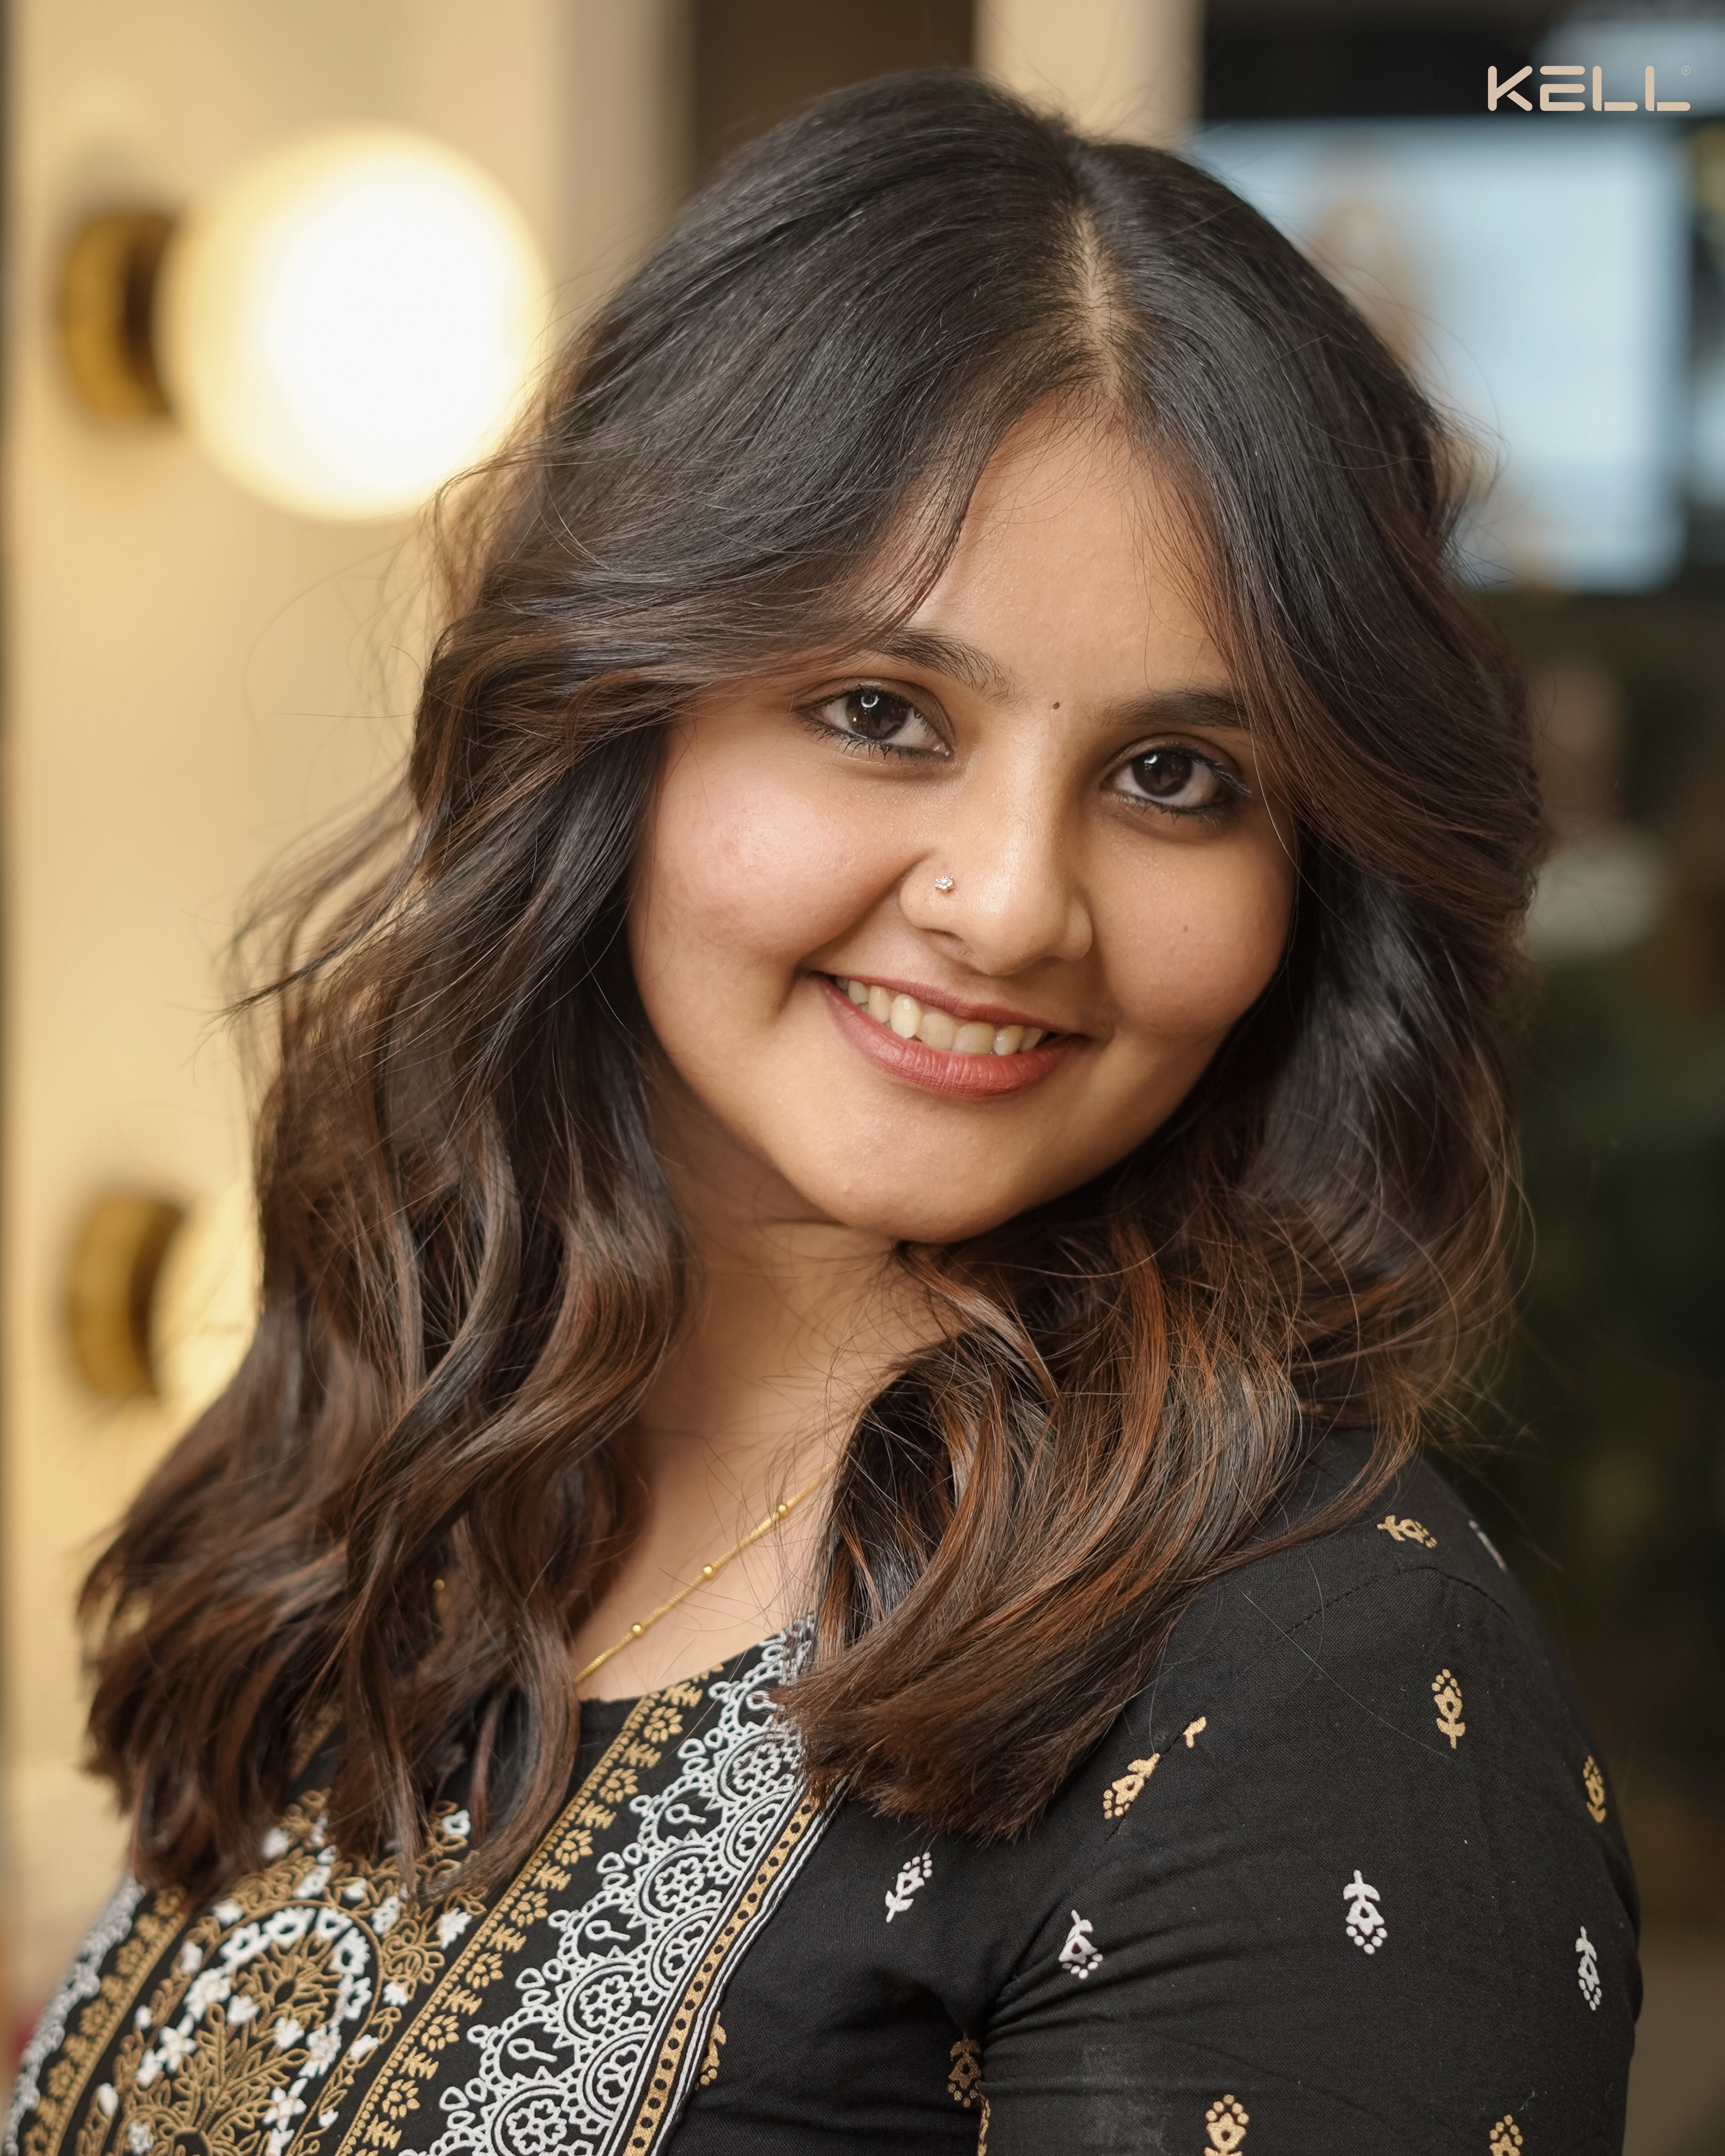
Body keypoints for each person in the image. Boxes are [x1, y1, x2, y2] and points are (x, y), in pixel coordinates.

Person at [6, 70, 1635, 2156]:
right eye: (879, 714)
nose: (1012, 900)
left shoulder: (1317, 1673)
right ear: (615, 717)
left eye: (1176, 778)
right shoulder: (396, 1461)